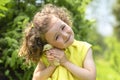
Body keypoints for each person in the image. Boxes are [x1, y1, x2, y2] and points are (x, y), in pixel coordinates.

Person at [19, 4, 96, 80]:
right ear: (48, 43)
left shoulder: (84, 48)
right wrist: (52, 66)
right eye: (57, 37)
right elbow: (36, 78)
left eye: (63, 27)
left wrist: (65, 62)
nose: (65, 35)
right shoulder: (48, 55)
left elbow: (91, 77)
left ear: (65, 21)